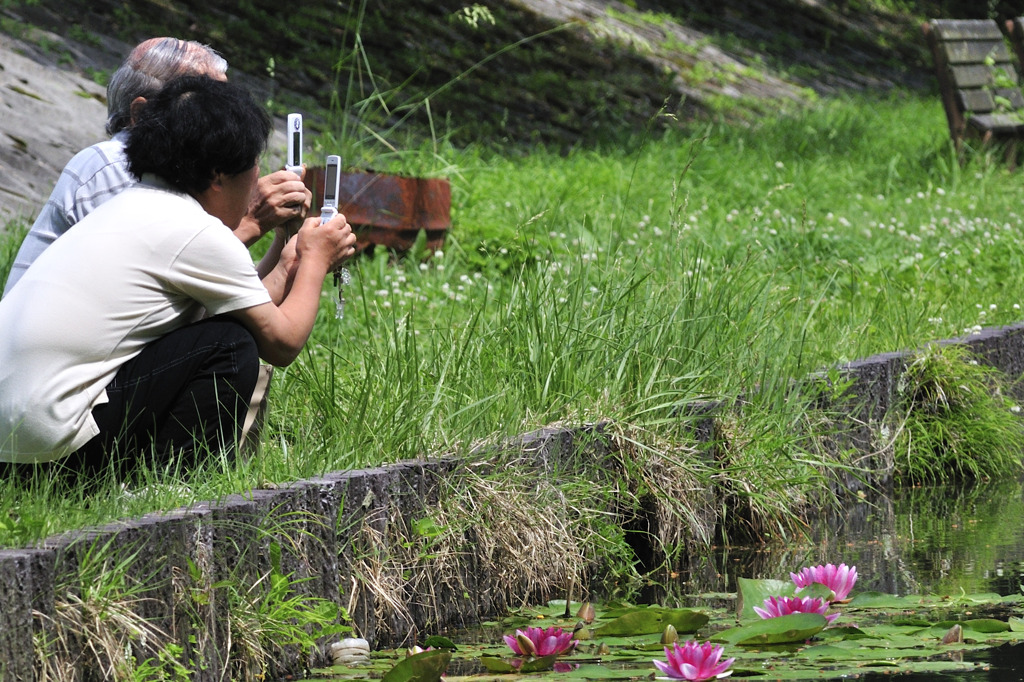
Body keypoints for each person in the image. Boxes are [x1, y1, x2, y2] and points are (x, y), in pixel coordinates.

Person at [0, 75, 356, 474]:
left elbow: (246, 304)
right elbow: (282, 342)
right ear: (219, 175)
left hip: (12, 445)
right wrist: (316, 260)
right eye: (254, 167)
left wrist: (290, 258)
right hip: (46, 450)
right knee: (229, 346)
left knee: (219, 330)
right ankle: (174, 488)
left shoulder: (130, 208)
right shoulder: (195, 231)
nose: (258, 180)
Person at [2, 37, 310, 297]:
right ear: (142, 114)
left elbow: (232, 306)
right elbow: (135, 286)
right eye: (206, 106)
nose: (227, 120)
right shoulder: (112, 165)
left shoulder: (178, 182)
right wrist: (251, 222)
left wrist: (286, 238)